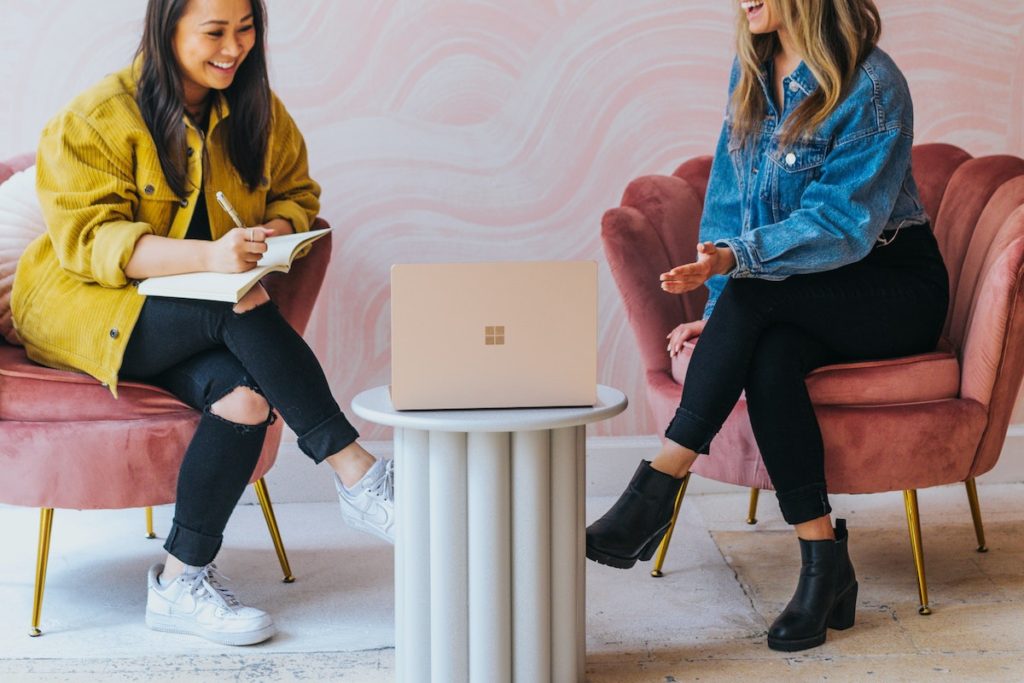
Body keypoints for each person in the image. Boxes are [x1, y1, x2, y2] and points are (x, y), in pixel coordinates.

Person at [12, 0, 393, 646]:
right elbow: (97, 245)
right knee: (236, 301)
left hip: (195, 318)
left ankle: (181, 580)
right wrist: (214, 258)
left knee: (244, 398)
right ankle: (359, 473)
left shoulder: (257, 112)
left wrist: (274, 231)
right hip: (84, 309)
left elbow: (299, 195)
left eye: (245, 29)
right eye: (214, 31)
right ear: (168, 29)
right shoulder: (96, 116)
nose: (233, 47)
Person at [585, 0, 948, 652]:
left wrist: (736, 270)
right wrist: (720, 310)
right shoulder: (752, 68)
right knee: (770, 352)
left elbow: (844, 226)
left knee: (755, 305)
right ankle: (823, 566)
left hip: (893, 286)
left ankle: (656, 487)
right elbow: (730, 200)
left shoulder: (871, 84)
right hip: (802, 290)